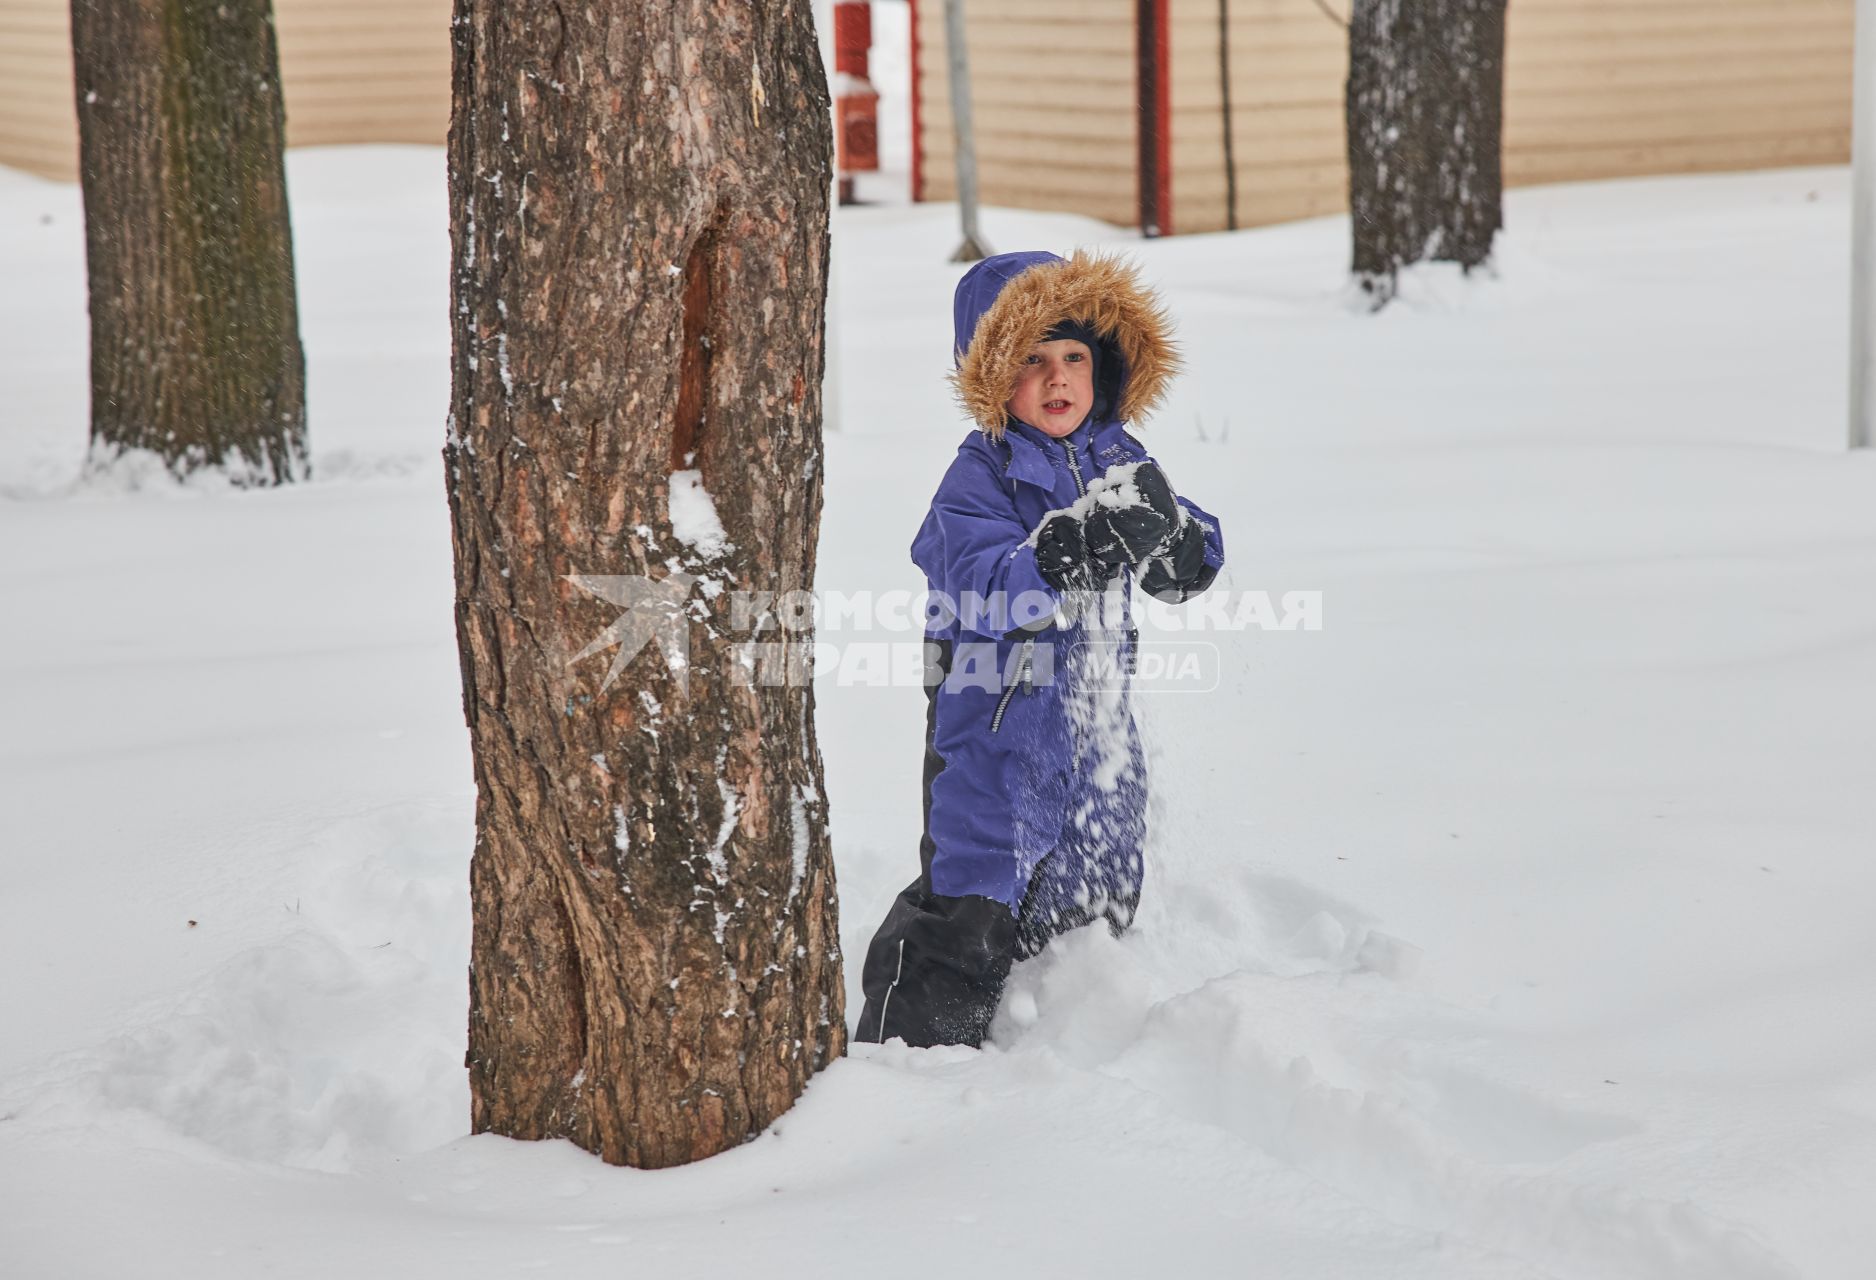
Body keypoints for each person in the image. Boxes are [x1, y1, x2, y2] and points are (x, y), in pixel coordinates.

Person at [854, 249, 1225, 1048]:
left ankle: (1064, 1032)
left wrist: (1182, 546)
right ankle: (909, 1053)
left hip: (1098, 737)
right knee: (971, 903)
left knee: (1092, 896)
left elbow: (1179, 544)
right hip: (991, 734)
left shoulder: (1117, 458)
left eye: (1073, 358)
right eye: (1031, 361)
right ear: (991, 374)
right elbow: (985, 585)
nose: (1057, 380)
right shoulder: (976, 479)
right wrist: (1067, 551)